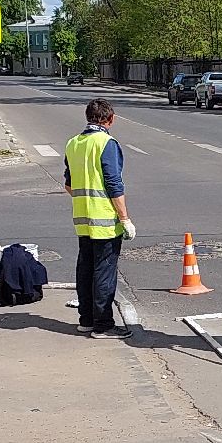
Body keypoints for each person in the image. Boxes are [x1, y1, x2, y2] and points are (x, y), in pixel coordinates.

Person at [64, 98, 135, 338]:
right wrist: (124, 218)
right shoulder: (107, 143)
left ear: (88, 118)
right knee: (104, 272)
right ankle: (103, 325)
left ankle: (86, 320)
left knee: (85, 270)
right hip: (104, 220)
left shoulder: (73, 143)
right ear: (110, 119)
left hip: (82, 219)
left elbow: (68, 184)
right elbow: (114, 184)